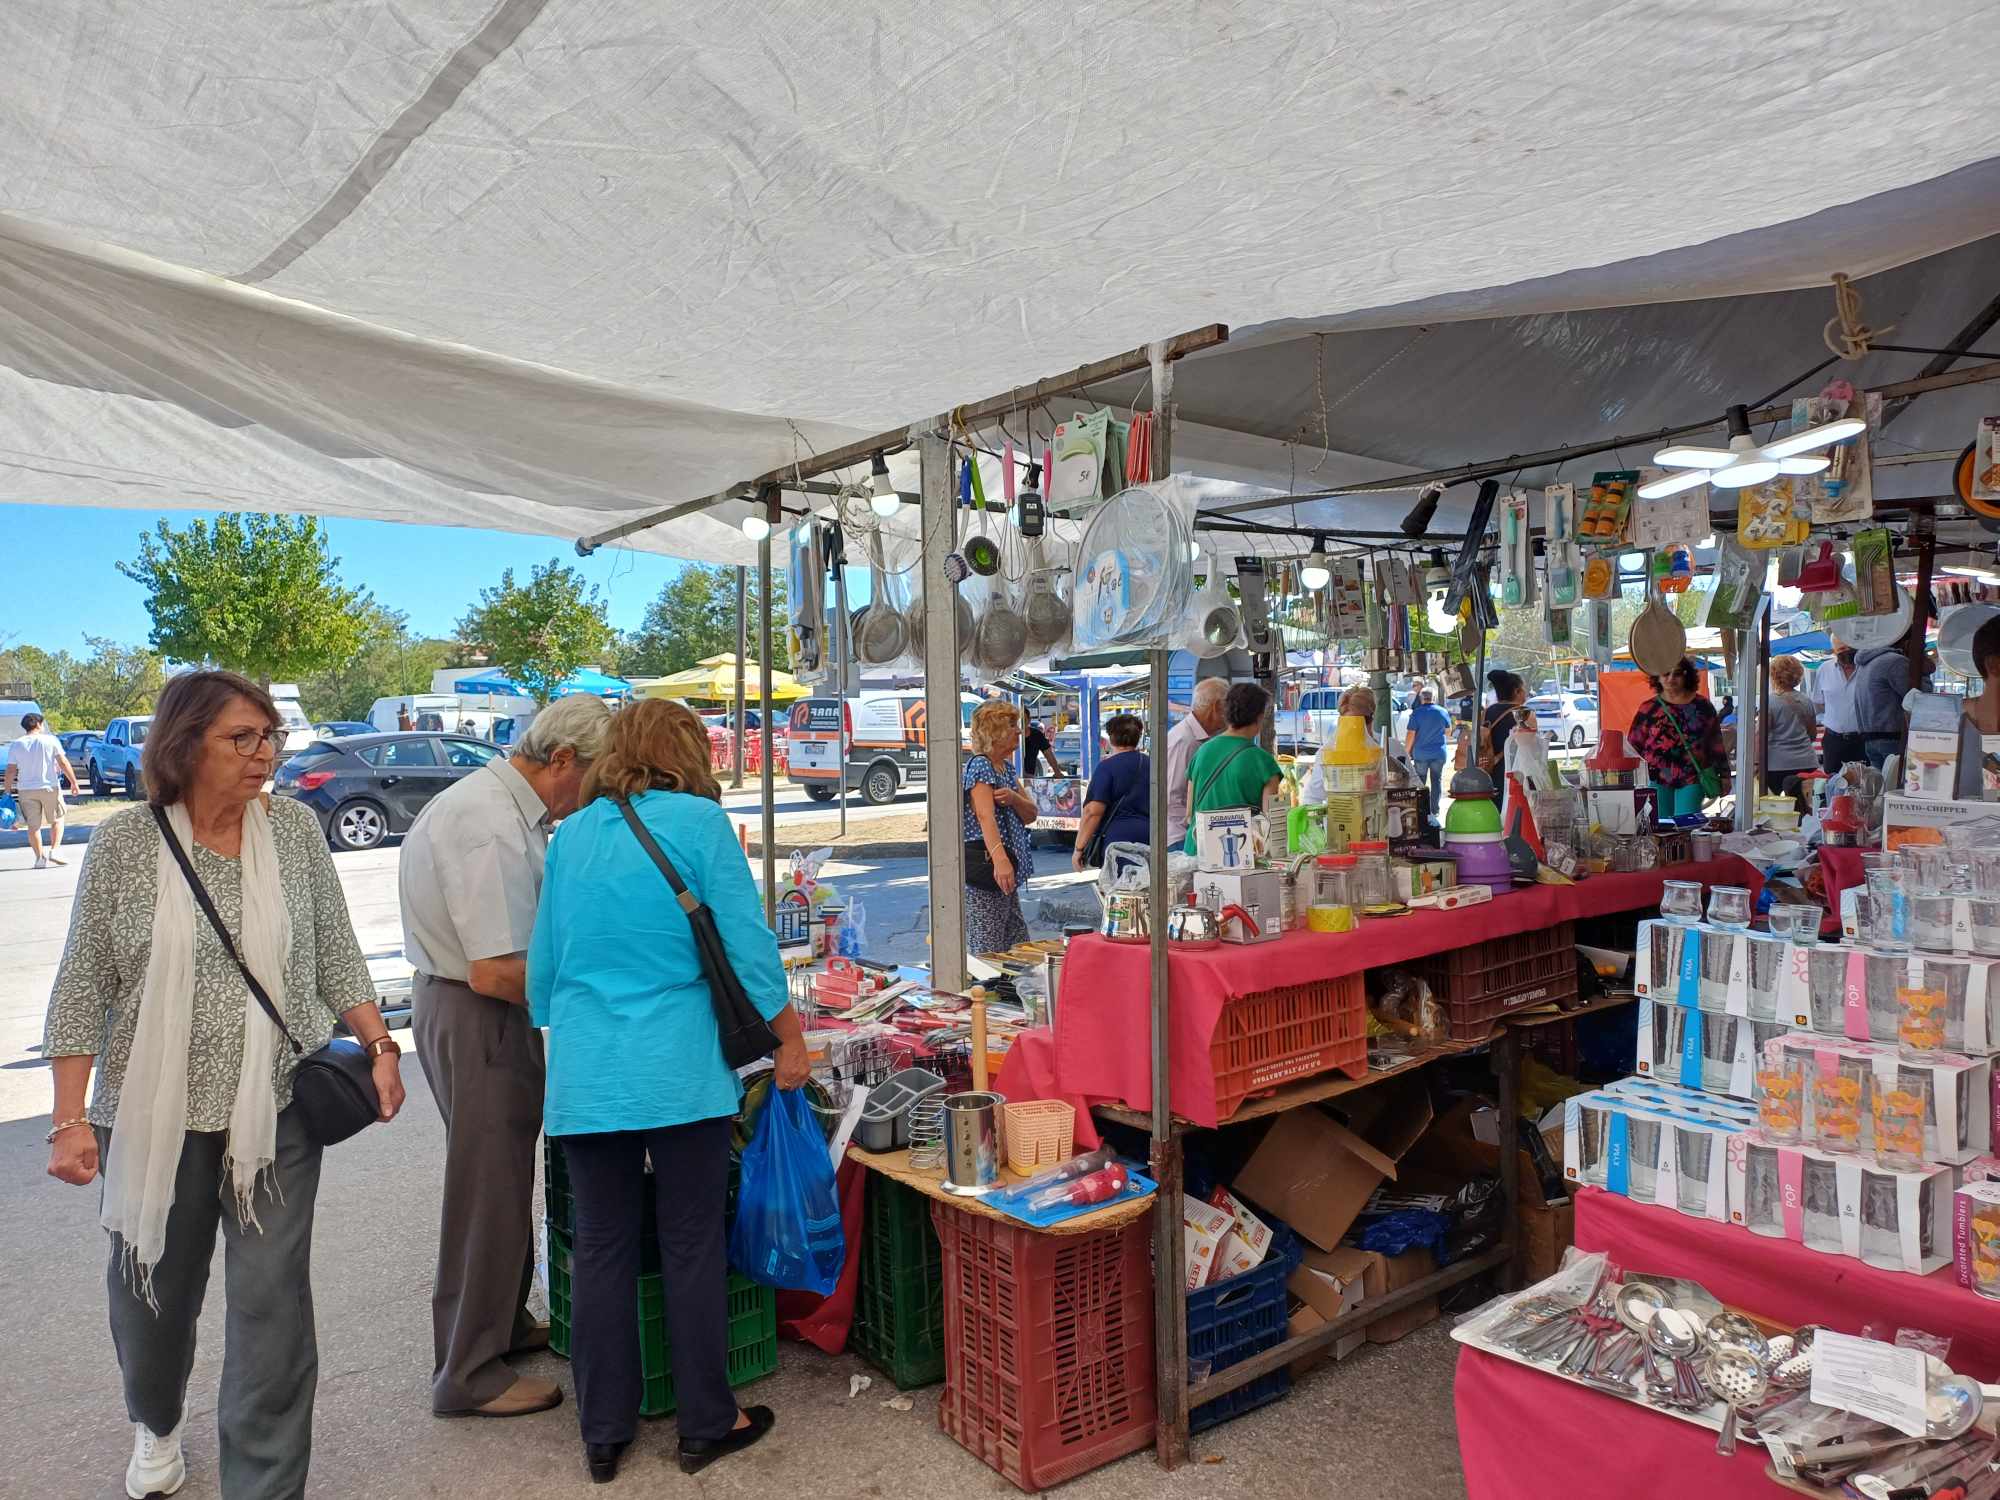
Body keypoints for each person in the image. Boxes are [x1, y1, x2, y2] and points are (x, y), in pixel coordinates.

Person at [42, 669, 404, 1500]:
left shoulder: (299, 832)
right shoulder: (126, 844)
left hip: (276, 1106)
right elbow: (81, 984)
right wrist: (68, 1118)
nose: (265, 753)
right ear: (183, 745)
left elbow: (336, 953)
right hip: (149, 1111)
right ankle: (156, 1419)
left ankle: (265, 1483)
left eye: (270, 735)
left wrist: (379, 1044)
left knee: (272, 1305)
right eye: (242, 738)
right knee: (154, 1296)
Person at [528, 698, 806, 1483]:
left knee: (603, 1247)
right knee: (691, 1244)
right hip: (679, 1068)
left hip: (588, 1071)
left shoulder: (572, 835)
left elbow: (544, 971)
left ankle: (603, 1433)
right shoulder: (697, 823)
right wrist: (790, 1036)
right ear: (690, 753)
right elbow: (749, 949)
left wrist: (583, 1018)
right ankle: (707, 1423)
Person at [398, 692, 612, 1420]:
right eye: (595, 779)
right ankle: (469, 1370)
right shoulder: (488, 825)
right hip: (479, 1009)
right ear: (561, 762)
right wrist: (601, 984)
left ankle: (500, 1324)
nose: (593, 798)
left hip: (477, 1010)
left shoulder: (496, 808)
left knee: (502, 1175)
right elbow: (495, 968)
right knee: (486, 1188)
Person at [963, 701, 1039, 952]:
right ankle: (985, 989)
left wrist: (1015, 798)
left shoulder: (1005, 768)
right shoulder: (981, 765)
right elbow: (985, 816)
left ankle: (1009, 988)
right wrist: (1001, 860)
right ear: (994, 732)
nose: (1019, 732)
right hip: (989, 870)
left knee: (1016, 943)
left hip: (1005, 871)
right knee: (989, 947)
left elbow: (1031, 815)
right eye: (1012, 726)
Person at [1183, 682, 1284, 855]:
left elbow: (1189, 814)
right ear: (1259, 717)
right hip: (1237, 857)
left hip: (1196, 852)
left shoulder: (1202, 751)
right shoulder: (1264, 763)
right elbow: (1270, 827)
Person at [1626, 657, 1729, 818]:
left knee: (1686, 826)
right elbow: (1633, 746)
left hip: (1692, 776)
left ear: (1686, 675)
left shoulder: (1703, 706)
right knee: (1660, 828)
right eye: (1666, 673)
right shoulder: (1648, 708)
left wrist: (1725, 776)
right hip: (1656, 778)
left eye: (1678, 673)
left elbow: (1716, 744)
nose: (1671, 678)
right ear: (1657, 676)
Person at [1072, 713, 1149, 869]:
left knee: (1121, 889)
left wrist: (1079, 848)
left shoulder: (1107, 767)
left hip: (1118, 840)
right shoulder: (1152, 764)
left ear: (1111, 737)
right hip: (1151, 835)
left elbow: (1093, 811)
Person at [4, 710, 79, 868]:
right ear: (38, 724)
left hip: (26, 789)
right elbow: (63, 762)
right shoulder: (50, 740)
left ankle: (39, 858)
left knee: (33, 825)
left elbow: (11, 770)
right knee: (57, 819)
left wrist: (7, 791)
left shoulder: (17, 744)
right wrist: (73, 781)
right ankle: (55, 850)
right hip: (49, 786)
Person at [1165, 678, 1228, 847]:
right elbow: (1171, 796)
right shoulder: (1185, 740)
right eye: (1227, 708)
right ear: (1216, 707)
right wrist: (1191, 827)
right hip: (1180, 837)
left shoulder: (1199, 738)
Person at [1764, 656, 1819, 812]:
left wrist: (1756, 764)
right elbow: (1812, 735)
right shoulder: (1806, 701)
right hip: (1807, 763)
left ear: (1774, 675)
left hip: (1778, 765)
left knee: (1781, 811)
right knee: (1804, 808)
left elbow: (1762, 736)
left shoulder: (1770, 702)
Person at [1853, 630, 1915, 770]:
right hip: (1892, 739)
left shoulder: (1864, 664)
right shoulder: (1895, 662)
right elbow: (1918, 697)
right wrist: (1923, 671)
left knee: (1883, 788)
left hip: (1871, 739)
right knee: (1897, 789)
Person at [1812, 638, 1863, 773]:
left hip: (1863, 740)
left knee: (1865, 783)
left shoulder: (1866, 668)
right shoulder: (1824, 669)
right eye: (1841, 650)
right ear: (1834, 651)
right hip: (1834, 740)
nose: (1846, 653)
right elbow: (1819, 702)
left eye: (1849, 648)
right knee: (1832, 783)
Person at [1403, 690, 1452, 813]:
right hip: (1439, 753)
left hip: (1421, 754)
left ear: (1421, 698)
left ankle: (1422, 809)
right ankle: (1435, 809)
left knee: (1420, 782)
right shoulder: (1442, 711)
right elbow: (1448, 731)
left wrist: (1406, 752)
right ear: (1433, 697)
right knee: (1436, 780)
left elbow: (1411, 734)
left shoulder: (1416, 713)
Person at [1479, 670, 1530, 772]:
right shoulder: (1524, 712)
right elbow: (1530, 743)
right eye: (1524, 688)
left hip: (1491, 768)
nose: (1526, 692)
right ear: (1517, 691)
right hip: (1516, 771)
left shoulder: (1486, 712)